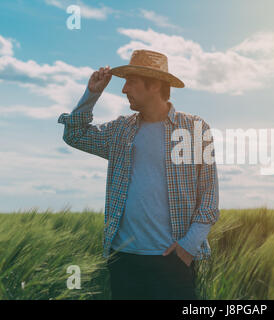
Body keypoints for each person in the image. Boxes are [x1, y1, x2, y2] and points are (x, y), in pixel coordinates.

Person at [57, 49, 220, 299]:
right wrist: (92, 94)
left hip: (174, 260)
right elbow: (75, 135)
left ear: (154, 84)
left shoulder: (194, 128)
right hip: (124, 259)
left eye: (130, 82)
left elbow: (209, 195)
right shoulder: (121, 130)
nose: (124, 90)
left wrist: (188, 247)